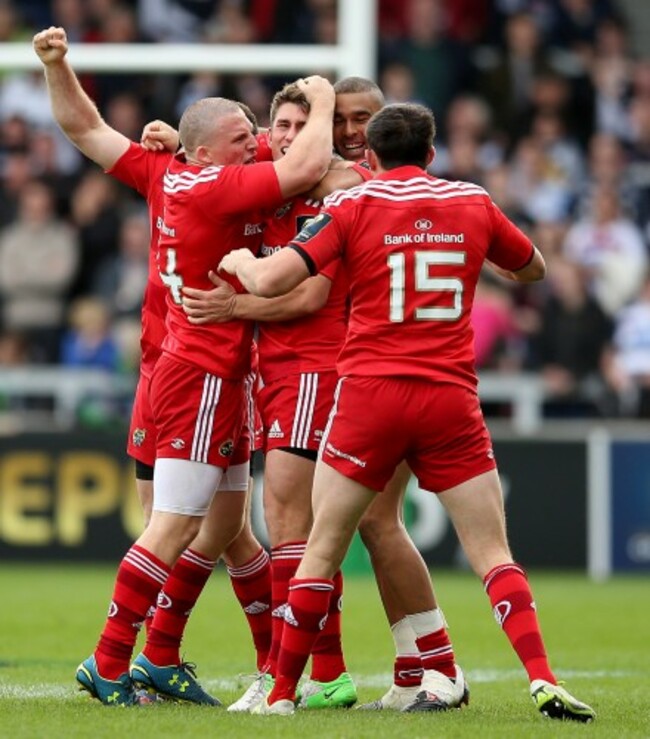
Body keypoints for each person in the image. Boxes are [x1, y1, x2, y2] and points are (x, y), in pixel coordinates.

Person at [219, 102, 597, 723]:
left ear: (368, 156)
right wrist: (472, 256)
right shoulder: (472, 202)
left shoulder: (352, 205)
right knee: (492, 553)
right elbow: (533, 267)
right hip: (450, 397)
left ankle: (283, 694)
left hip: (371, 395)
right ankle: (541, 677)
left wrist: (238, 262)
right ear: (432, 152)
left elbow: (268, 282)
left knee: (322, 546)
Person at [34, 25, 334, 707]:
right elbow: (298, 167)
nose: (256, 138)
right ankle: (110, 660)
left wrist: (57, 65)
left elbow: (85, 128)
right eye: (243, 134)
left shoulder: (170, 169)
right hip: (198, 371)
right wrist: (319, 102)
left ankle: (242, 667)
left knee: (228, 525)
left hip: (194, 367)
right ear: (207, 154)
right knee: (172, 525)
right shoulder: (210, 185)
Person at [333, 76, 465, 712]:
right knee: (367, 524)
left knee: (371, 523)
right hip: (338, 370)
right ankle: (413, 669)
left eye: (366, 118)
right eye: (344, 118)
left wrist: (243, 292)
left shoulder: (367, 192)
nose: (354, 129)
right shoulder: (328, 177)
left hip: (375, 372)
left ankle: (431, 663)